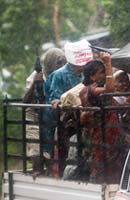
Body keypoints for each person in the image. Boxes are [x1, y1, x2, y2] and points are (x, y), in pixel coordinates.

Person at [43, 39, 93, 175]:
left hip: (82, 119)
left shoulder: (85, 74)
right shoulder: (59, 75)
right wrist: (59, 104)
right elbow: (54, 98)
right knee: (66, 153)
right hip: (64, 122)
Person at [79, 53, 122, 183]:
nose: (104, 75)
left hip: (103, 137)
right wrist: (108, 64)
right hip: (104, 137)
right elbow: (110, 89)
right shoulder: (91, 90)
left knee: (104, 167)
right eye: (101, 73)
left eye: (105, 72)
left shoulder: (84, 91)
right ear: (92, 76)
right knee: (106, 171)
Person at [23, 48, 66, 176]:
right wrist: (35, 84)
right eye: (58, 62)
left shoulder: (61, 76)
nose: (62, 66)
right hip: (34, 116)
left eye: (64, 62)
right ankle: (38, 171)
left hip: (51, 116)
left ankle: (51, 173)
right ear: (49, 62)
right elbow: (25, 102)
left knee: (51, 151)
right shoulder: (35, 76)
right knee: (35, 151)